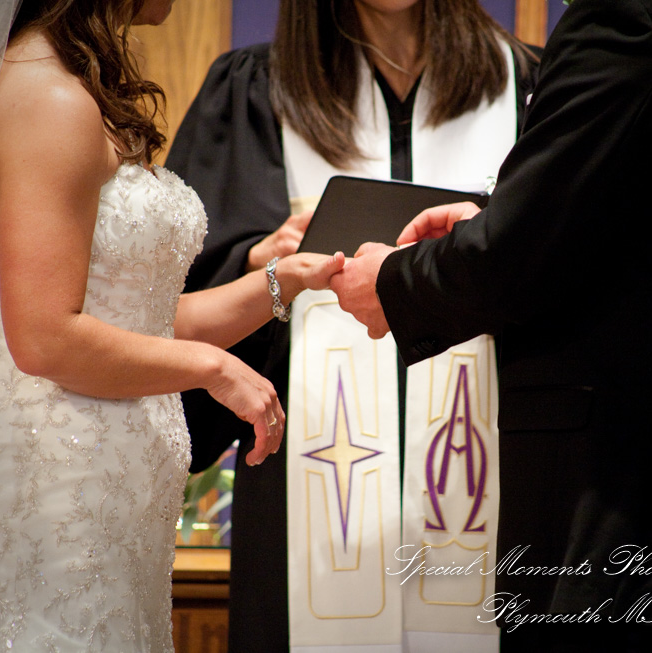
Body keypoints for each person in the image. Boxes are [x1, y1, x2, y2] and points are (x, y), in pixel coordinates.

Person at [0, 0, 342, 650]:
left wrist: (282, 281)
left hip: (107, 515)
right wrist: (215, 369)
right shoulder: (48, 96)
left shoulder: (69, 86)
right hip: (46, 508)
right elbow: (46, 339)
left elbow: (137, 321)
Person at [331, 0, 652, 649]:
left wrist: (393, 281)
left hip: (636, 497)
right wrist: (496, 221)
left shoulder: (629, 16)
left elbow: (518, 254)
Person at [164, 0, 540, 650]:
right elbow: (172, 294)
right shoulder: (255, 92)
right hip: (307, 479)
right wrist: (256, 263)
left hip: (492, 464)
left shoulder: (530, 86)